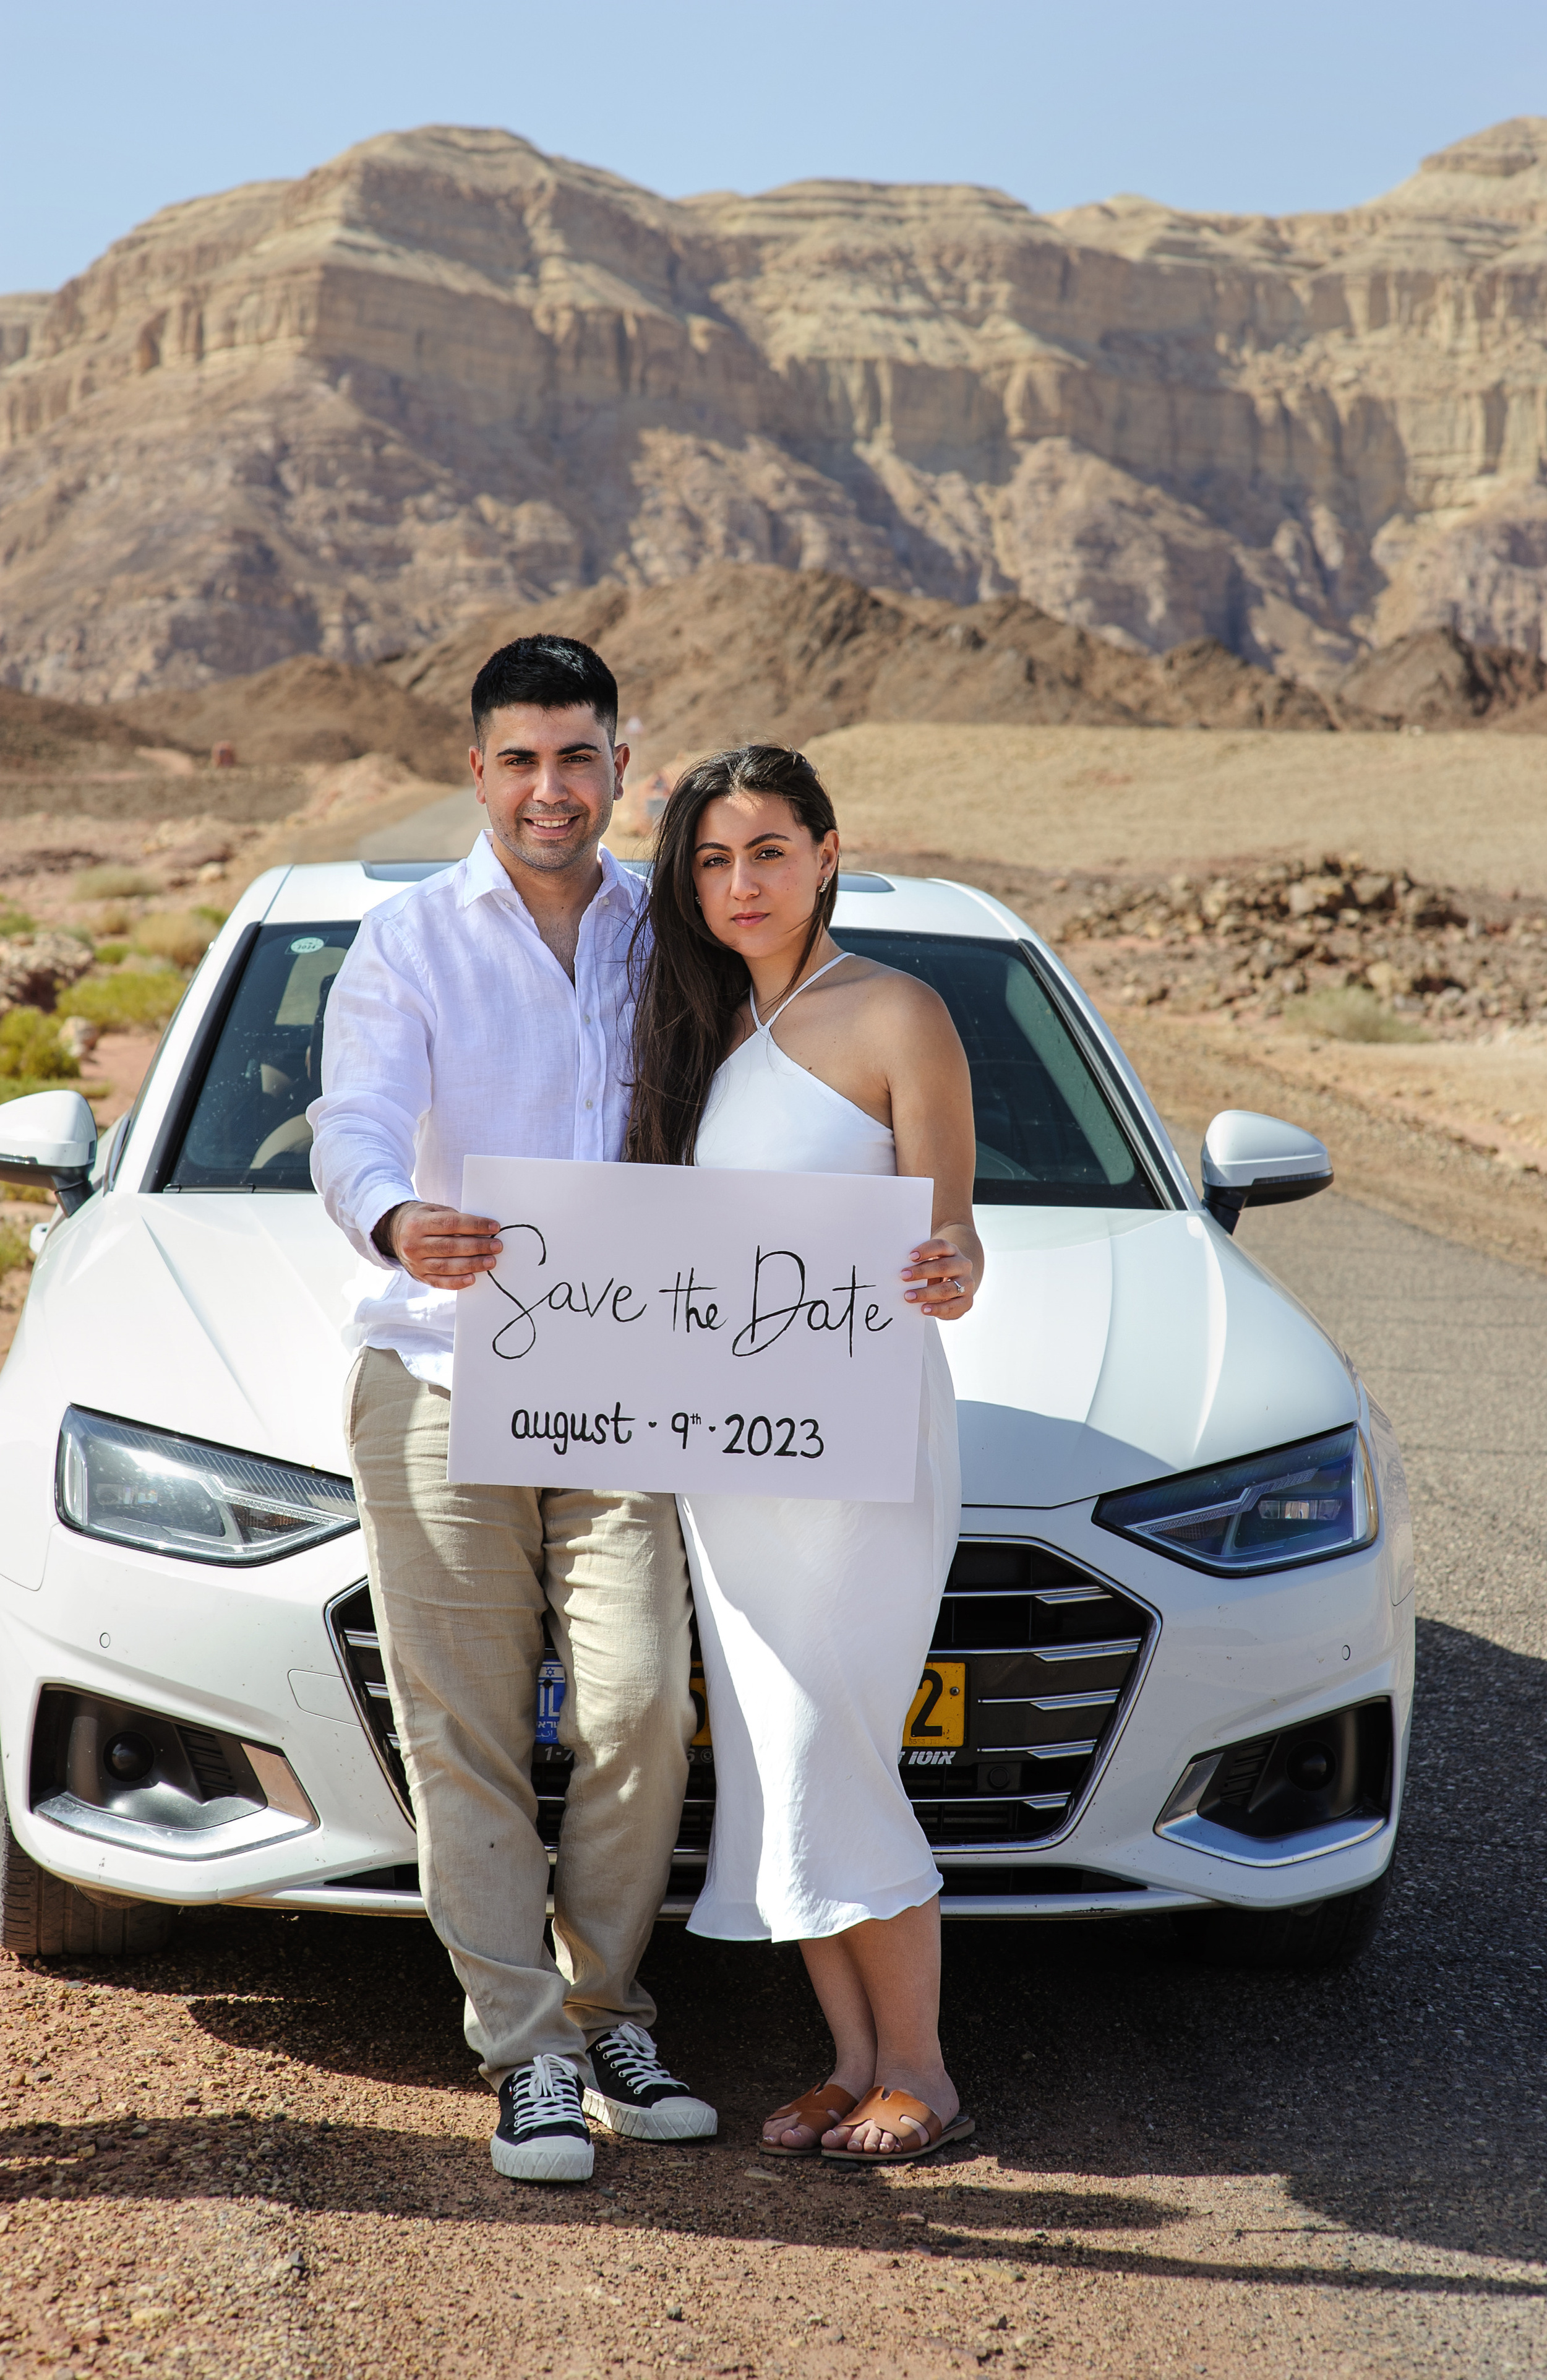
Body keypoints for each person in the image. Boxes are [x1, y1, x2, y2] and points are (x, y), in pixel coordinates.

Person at [308, 634, 715, 2185]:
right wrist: (398, 1214)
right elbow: (347, 1121)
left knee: (635, 1707)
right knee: (466, 1734)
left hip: (624, 1381)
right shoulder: (408, 941)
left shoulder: (665, 937)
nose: (552, 787)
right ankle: (529, 2053)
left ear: (621, 764)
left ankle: (608, 2005)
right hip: (433, 1369)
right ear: (476, 772)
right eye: (521, 759)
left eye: (579, 756)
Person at [625, 743, 983, 2164]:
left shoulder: (897, 1009)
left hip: (865, 1439)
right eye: (711, 860)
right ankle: (848, 2061)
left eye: (767, 850)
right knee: (776, 1748)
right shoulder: (697, 1035)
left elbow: (947, 1229)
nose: (739, 882)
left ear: (828, 852)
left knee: (840, 1733)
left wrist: (952, 1260)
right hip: (732, 1459)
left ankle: (927, 2070)